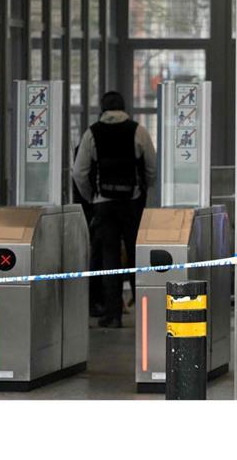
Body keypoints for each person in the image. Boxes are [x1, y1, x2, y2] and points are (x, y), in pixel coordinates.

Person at [72, 90, 157, 328]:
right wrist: (144, 189)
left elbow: (79, 172)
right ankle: (144, 313)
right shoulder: (137, 130)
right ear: (124, 106)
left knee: (109, 257)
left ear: (102, 108)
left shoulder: (92, 133)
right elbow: (151, 165)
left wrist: (92, 196)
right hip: (132, 202)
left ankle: (112, 315)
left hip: (104, 204)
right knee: (135, 255)